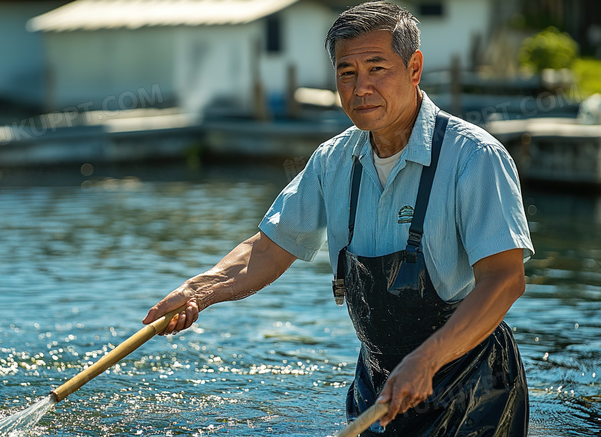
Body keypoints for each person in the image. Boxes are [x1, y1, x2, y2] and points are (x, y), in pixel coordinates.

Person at [142, 2, 534, 435]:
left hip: (475, 391)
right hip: (379, 386)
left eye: (376, 68)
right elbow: (270, 248)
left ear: (415, 68)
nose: (361, 87)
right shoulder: (333, 160)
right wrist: (200, 289)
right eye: (347, 72)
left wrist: (426, 360)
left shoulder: (474, 156)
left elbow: (504, 279)